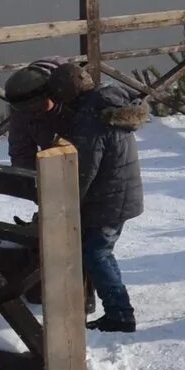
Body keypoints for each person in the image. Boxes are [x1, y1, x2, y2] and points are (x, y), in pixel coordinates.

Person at [13, 62, 146, 333]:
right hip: (116, 193)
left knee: (96, 254)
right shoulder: (106, 105)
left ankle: (120, 314)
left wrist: (61, 204)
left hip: (108, 198)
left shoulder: (90, 118)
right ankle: (115, 310)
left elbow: (83, 171)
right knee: (96, 251)